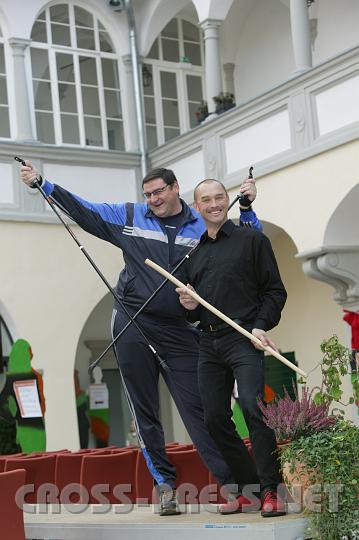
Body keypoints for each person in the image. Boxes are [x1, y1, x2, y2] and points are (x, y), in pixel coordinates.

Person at [20, 162, 261, 515]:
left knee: (203, 412)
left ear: (175, 188)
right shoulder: (131, 216)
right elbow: (85, 210)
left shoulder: (201, 225)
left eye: (159, 192)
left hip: (181, 330)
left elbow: (247, 242)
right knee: (144, 410)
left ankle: (232, 485)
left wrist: (248, 207)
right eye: (147, 194)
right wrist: (44, 184)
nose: (153, 199)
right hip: (133, 321)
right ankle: (164, 485)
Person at [176, 179, 287, 518]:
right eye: (205, 200)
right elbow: (189, 314)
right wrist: (188, 305)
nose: (213, 204)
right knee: (214, 419)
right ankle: (248, 488)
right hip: (208, 342)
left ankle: (272, 491)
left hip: (244, 338)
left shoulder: (252, 240)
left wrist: (259, 326)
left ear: (228, 200)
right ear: (197, 208)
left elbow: (275, 291)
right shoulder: (194, 254)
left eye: (219, 197)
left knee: (255, 411)